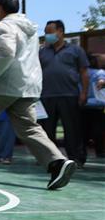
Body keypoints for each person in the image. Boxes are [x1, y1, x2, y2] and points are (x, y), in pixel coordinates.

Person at [0, 0, 76, 190]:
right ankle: (57, 162)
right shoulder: (30, 29)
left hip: (3, 87)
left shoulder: (3, 26)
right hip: (29, 86)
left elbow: (7, 53)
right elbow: (17, 58)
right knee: (29, 127)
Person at [40, 19, 89, 165]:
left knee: (72, 129)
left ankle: (76, 158)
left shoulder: (75, 50)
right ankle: (50, 159)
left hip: (69, 95)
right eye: (45, 32)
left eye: (50, 32)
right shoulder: (42, 52)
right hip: (46, 96)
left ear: (60, 32)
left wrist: (84, 93)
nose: (47, 35)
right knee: (47, 130)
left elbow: (84, 72)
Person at [81, 54, 105, 160]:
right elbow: (101, 81)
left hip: (83, 104)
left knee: (84, 130)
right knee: (99, 129)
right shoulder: (99, 72)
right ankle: (100, 151)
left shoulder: (81, 73)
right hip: (98, 105)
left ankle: (82, 152)